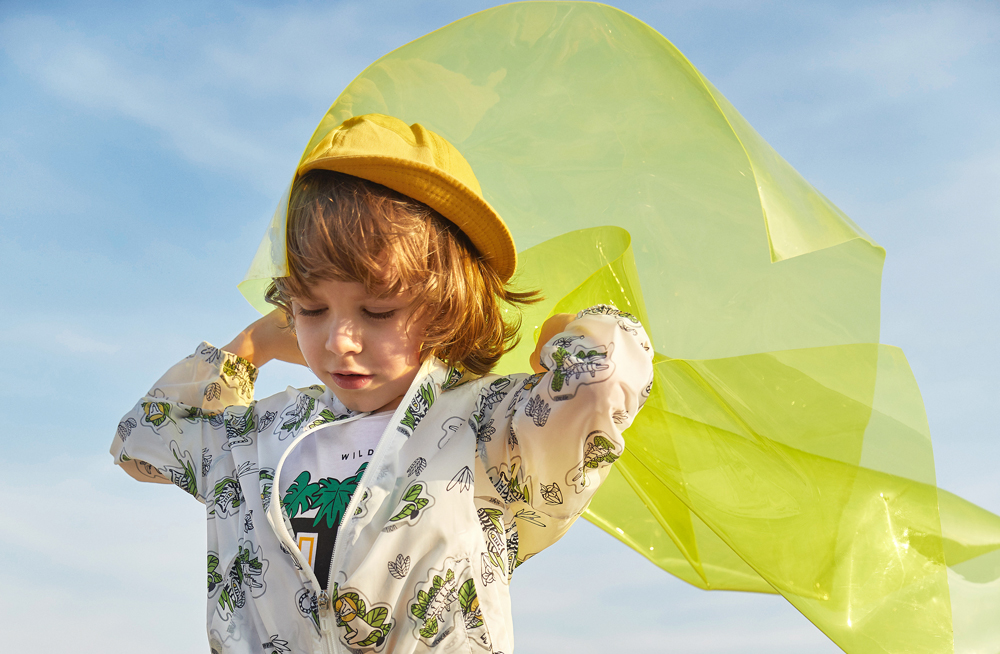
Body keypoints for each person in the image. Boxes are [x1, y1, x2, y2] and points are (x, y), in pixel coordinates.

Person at [111, 113, 654, 654]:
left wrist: (568, 336)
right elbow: (142, 442)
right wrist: (249, 347)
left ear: (449, 306)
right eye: (312, 307)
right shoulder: (262, 435)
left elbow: (604, 382)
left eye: (377, 310)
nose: (338, 340)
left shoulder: (490, 429)